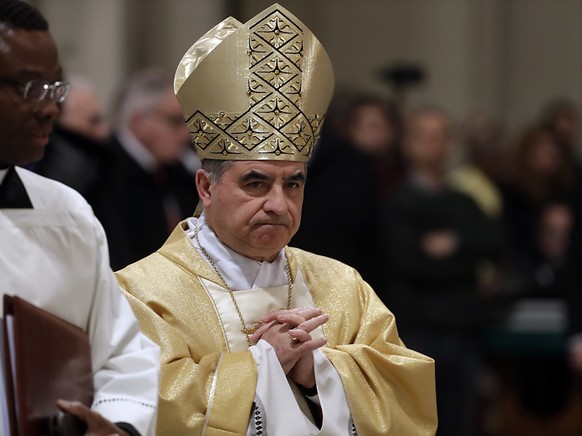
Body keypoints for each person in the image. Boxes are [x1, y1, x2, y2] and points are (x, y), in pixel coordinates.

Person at [117, 4, 437, 435]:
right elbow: (137, 405)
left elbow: (406, 399)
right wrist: (261, 364)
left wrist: (316, 372)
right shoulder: (143, 292)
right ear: (206, 188)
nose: (278, 204)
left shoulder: (343, 286)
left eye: (293, 184)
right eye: (255, 183)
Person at [0, 1, 159, 435]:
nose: (50, 108)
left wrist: (116, 426)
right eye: (29, 87)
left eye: (55, 89)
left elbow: (122, 354)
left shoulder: (67, 214)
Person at [380, 106, 501, 435]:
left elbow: (496, 242)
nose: (436, 145)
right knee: (417, 423)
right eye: (426, 136)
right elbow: (411, 264)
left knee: (462, 422)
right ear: (408, 143)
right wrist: (464, 252)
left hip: (464, 329)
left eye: (443, 137)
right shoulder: (396, 203)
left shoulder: (464, 202)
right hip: (416, 331)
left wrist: (455, 245)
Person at [92, 67, 198, 270]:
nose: (185, 135)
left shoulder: (177, 172)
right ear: (139, 121)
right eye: (175, 122)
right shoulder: (102, 172)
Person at [33, 73, 109, 202]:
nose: (103, 131)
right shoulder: (68, 169)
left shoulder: (96, 164)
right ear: (61, 118)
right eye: (93, 121)